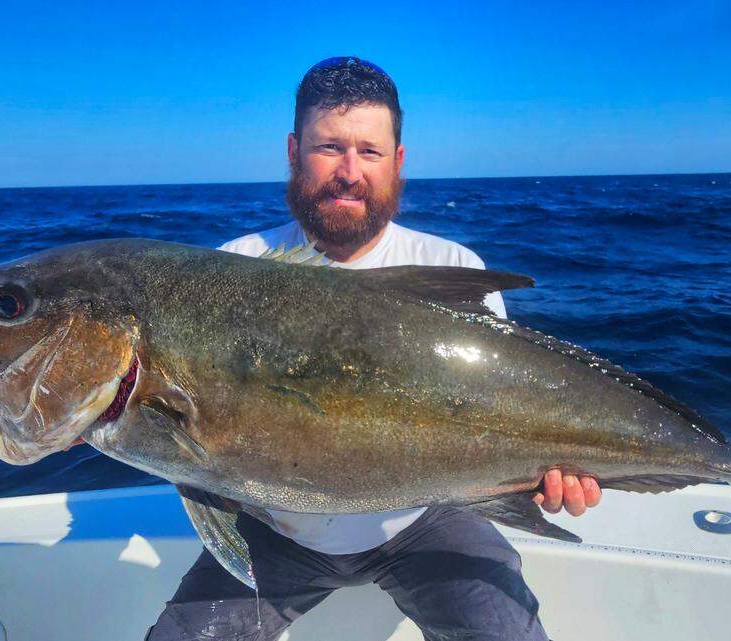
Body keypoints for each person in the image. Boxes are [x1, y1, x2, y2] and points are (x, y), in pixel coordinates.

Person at [146, 56, 601, 641]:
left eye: (370, 151)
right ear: (292, 152)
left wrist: (546, 471)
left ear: (398, 162)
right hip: (273, 527)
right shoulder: (235, 267)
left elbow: (497, 423)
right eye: (329, 148)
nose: (349, 171)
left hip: (425, 520)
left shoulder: (453, 267)